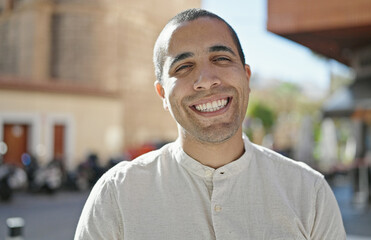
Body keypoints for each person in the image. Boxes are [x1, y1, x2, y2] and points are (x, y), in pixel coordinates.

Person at [75, 8, 346, 239]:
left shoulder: (309, 194)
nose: (206, 79)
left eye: (221, 59)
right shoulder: (116, 195)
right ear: (162, 95)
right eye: (183, 67)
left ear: (247, 77)